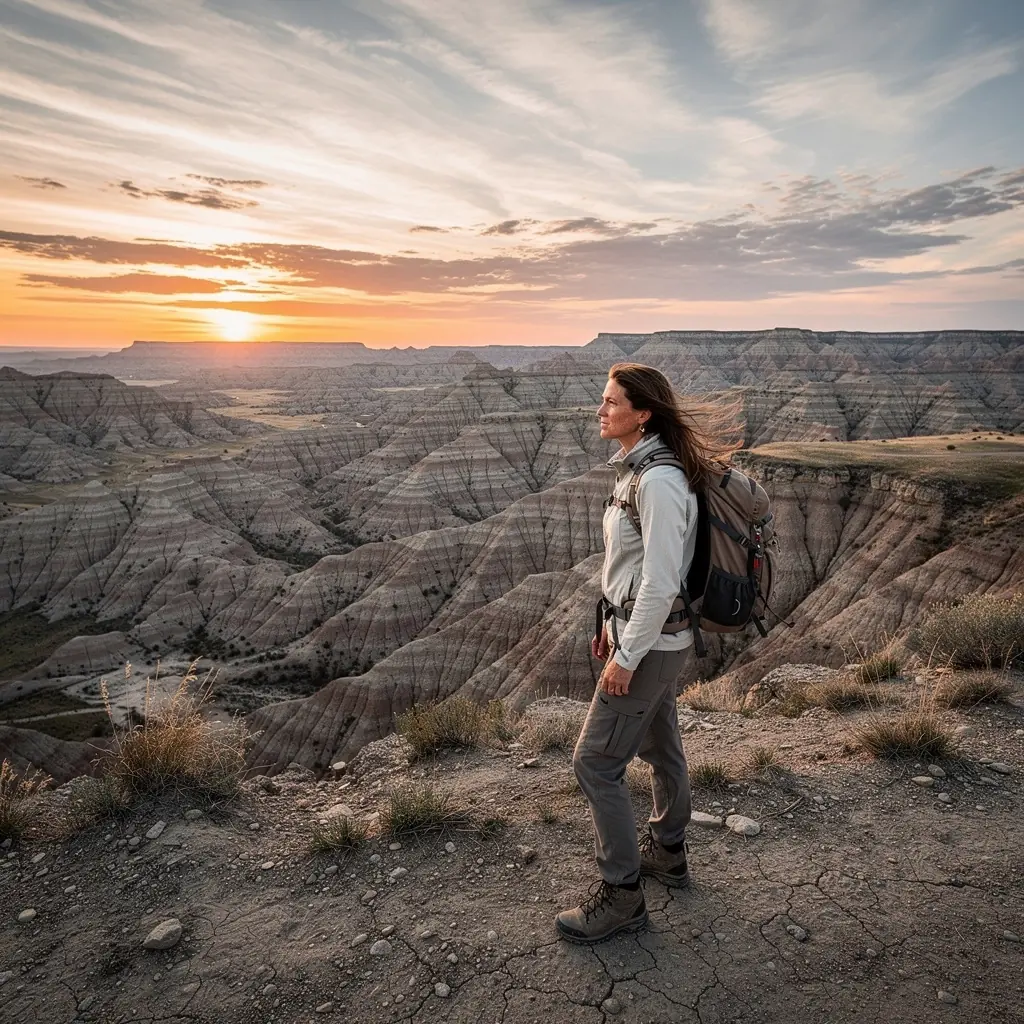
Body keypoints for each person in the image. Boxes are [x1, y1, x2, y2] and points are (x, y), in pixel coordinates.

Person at [555, 362, 740, 944]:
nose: (601, 410)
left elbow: (660, 583)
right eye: (603, 400)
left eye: (612, 402)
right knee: (661, 747)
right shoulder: (638, 470)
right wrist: (611, 628)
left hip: (653, 645)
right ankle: (668, 852)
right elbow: (631, 571)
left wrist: (627, 656)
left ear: (643, 414)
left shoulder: (657, 481)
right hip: (649, 637)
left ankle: (623, 895)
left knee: (595, 763)